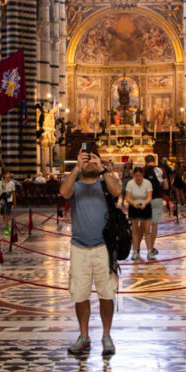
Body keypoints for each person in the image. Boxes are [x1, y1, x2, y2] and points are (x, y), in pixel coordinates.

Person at [59, 146, 121, 357]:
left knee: (106, 294)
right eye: (86, 159)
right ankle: (84, 336)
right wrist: (77, 168)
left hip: (104, 247)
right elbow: (63, 192)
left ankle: (106, 336)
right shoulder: (75, 185)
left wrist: (102, 168)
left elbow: (117, 191)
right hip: (79, 248)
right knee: (80, 294)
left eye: (92, 159)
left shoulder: (104, 184)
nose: (89, 162)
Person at [124, 164, 152, 262]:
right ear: (133, 175)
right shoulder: (130, 183)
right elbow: (127, 197)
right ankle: (135, 251)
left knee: (147, 230)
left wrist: (145, 203)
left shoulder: (147, 183)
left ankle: (149, 251)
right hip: (134, 206)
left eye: (140, 175)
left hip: (145, 206)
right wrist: (133, 203)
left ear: (142, 175)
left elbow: (149, 196)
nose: (138, 178)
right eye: (136, 176)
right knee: (135, 231)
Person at [143, 154, 168, 259]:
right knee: (154, 225)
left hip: (145, 200)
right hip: (157, 198)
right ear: (154, 160)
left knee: (145, 225)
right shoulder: (161, 170)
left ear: (145, 161)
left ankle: (139, 249)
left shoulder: (141, 171)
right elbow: (166, 186)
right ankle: (151, 249)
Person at [0, 168, 17, 235]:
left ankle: (6, 228)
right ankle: (7, 226)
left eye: (9, 173)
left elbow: (13, 193)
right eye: (8, 174)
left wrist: (14, 202)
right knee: (3, 215)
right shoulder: (0, 183)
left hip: (9, 201)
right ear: (4, 175)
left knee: (6, 214)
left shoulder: (12, 183)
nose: (9, 175)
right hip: (2, 201)